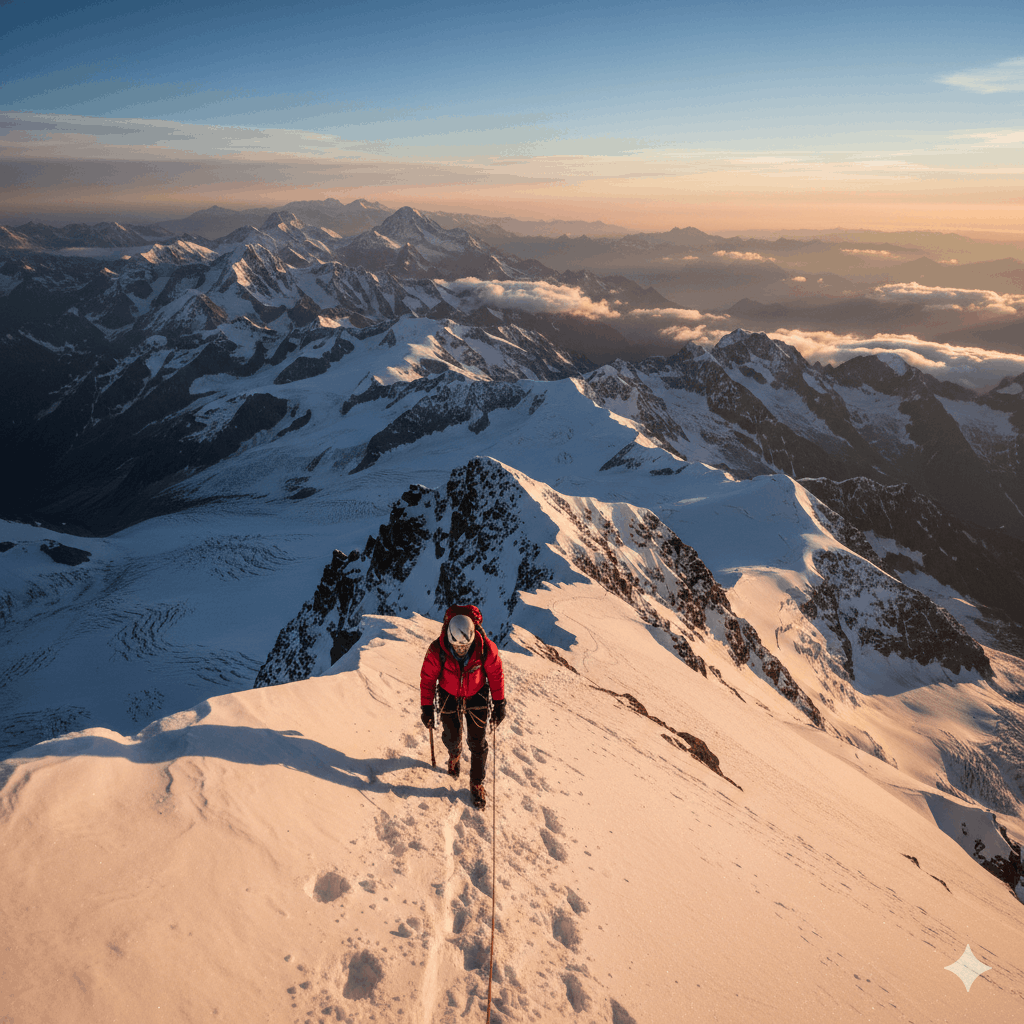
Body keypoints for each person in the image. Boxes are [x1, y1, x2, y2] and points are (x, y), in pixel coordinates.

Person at [420, 606, 506, 809]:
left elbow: (495, 674)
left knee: (477, 742)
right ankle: (454, 753)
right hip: (449, 693)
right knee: (451, 736)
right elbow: (428, 679)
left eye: (464, 647)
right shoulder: (437, 650)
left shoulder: (485, 648)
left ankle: (476, 782)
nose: (460, 650)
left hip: (477, 693)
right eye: (457, 647)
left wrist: (499, 702)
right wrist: (426, 707)